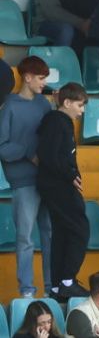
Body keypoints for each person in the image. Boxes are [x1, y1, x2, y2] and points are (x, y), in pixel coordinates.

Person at [0, 56, 54, 297]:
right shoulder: (9, 106)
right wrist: (27, 153)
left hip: (46, 178)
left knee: (50, 235)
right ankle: (27, 291)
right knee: (25, 237)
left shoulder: (44, 104)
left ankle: (52, 287)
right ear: (28, 77)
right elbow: (2, 146)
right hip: (23, 182)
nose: (44, 82)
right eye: (41, 78)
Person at [37, 82, 89, 300]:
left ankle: (58, 285)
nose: (82, 110)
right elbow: (51, 156)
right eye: (79, 104)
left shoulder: (60, 122)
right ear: (66, 102)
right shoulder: (57, 122)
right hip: (57, 185)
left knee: (62, 233)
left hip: (56, 183)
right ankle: (67, 280)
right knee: (80, 229)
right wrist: (70, 176)